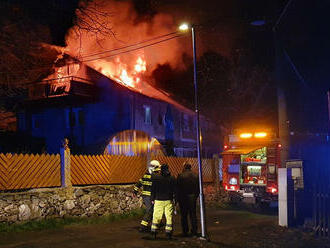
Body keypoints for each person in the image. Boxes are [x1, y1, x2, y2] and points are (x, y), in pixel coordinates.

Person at [150, 164, 176, 239]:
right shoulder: (172, 178)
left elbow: (153, 189)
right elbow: (175, 190)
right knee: (169, 217)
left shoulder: (156, 178)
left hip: (158, 200)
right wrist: (175, 200)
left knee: (156, 216)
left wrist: (152, 199)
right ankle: (168, 233)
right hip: (168, 200)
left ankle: (154, 232)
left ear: (161, 169)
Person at [134, 160, 161, 232]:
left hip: (147, 196)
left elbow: (139, 183)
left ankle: (157, 223)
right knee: (150, 210)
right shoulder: (154, 176)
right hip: (149, 197)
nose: (159, 171)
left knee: (154, 210)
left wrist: (135, 190)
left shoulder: (146, 175)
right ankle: (143, 226)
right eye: (158, 169)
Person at [177, 163, 199, 237]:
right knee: (193, 214)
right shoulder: (196, 176)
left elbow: (178, 188)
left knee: (184, 215)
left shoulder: (181, 176)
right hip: (192, 198)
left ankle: (185, 231)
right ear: (190, 167)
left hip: (183, 198)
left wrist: (177, 199)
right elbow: (198, 189)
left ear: (184, 167)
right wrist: (195, 196)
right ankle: (194, 231)